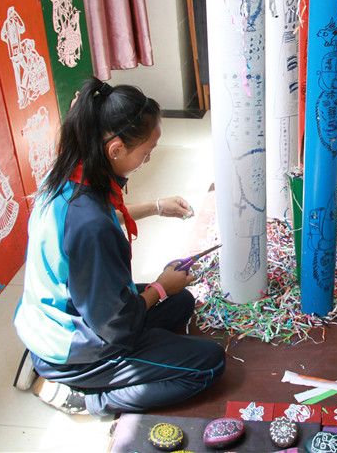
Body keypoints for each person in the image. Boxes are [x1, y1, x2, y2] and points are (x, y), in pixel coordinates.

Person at [13, 79, 225, 416]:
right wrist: (159, 287)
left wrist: (156, 207)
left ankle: (50, 358)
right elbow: (116, 325)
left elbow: (103, 217)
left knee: (181, 301)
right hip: (75, 342)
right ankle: (83, 397)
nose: (148, 159)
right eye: (145, 153)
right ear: (115, 149)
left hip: (53, 316)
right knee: (209, 364)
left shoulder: (69, 172)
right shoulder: (91, 226)